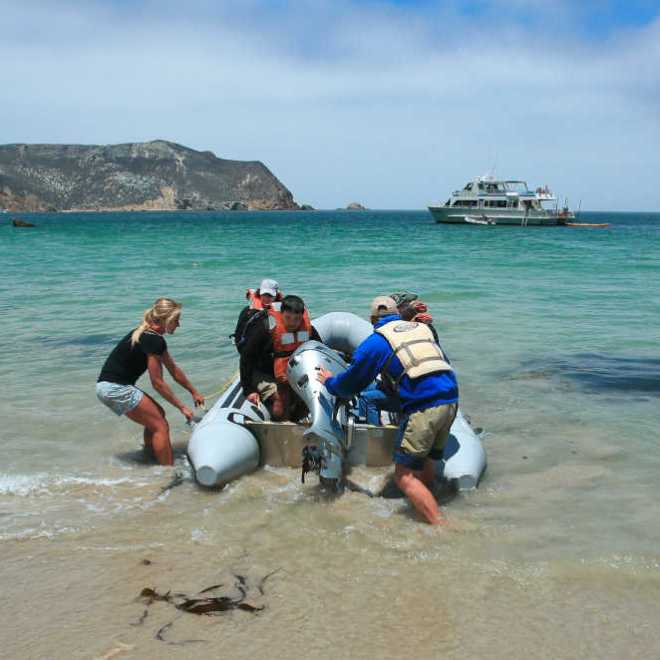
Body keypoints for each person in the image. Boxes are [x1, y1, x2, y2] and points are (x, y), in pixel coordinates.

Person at [318, 296, 458, 525]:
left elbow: (351, 384)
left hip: (424, 406)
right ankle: (430, 498)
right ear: (398, 313)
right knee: (428, 461)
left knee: (403, 476)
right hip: (451, 398)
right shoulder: (422, 329)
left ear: (372, 319)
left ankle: (441, 526)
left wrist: (329, 382)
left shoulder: (377, 341)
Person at [96, 298, 204, 466]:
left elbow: (173, 370)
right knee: (161, 426)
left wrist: (193, 391)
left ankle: (149, 458)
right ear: (165, 319)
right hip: (115, 388)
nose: (178, 324)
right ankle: (167, 471)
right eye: (176, 320)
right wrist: (182, 407)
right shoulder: (153, 340)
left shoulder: (148, 335)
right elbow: (157, 383)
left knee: (157, 415)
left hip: (107, 386)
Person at [239, 294, 321, 420]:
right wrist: (248, 390)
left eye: (297, 319)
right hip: (263, 372)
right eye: (288, 318)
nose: (293, 322)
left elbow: (319, 350)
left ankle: (295, 424)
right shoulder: (266, 329)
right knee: (281, 400)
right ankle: (281, 425)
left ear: (302, 316)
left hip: (292, 371)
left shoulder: (309, 330)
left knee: (305, 401)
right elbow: (246, 357)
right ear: (282, 313)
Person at [231, 278, 282, 352]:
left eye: (270, 295)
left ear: (276, 295)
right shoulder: (247, 312)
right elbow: (238, 335)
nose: (266, 298)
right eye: (264, 294)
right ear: (260, 293)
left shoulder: (283, 310)